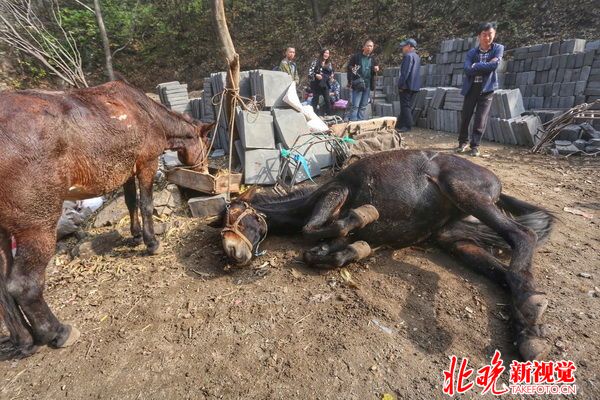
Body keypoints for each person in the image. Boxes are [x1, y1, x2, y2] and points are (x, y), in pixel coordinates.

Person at [456, 22, 504, 157]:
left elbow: (494, 66)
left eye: (490, 35)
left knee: (480, 119)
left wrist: (476, 65)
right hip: (472, 88)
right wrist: (485, 65)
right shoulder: (472, 52)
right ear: (479, 36)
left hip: (487, 89)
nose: (487, 38)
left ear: (494, 35)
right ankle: (462, 142)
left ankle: (475, 146)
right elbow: (467, 69)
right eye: (484, 35)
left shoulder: (498, 48)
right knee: (466, 116)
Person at [347, 39, 380, 121]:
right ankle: (353, 123)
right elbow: (349, 67)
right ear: (363, 47)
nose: (369, 48)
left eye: (371, 46)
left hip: (368, 85)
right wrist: (354, 71)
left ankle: (360, 123)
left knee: (363, 105)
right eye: (368, 46)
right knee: (355, 105)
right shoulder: (356, 57)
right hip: (358, 84)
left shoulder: (373, 59)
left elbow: (375, 68)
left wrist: (376, 68)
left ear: (373, 48)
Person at [395, 38, 421, 132]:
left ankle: (408, 125)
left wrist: (400, 84)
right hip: (414, 85)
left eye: (404, 46)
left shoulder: (408, 56)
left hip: (406, 86)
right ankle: (400, 124)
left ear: (409, 46)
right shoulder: (417, 56)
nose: (403, 48)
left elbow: (405, 72)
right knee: (406, 106)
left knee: (405, 106)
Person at [308, 49, 334, 116]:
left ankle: (329, 116)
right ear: (322, 53)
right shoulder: (315, 61)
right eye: (325, 53)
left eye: (328, 53)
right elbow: (310, 73)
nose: (326, 54)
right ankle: (313, 116)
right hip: (316, 84)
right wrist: (316, 75)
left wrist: (331, 77)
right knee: (315, 100)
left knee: (327, 100)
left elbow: (331, 73)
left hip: (325, 84)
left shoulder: (329, 63)